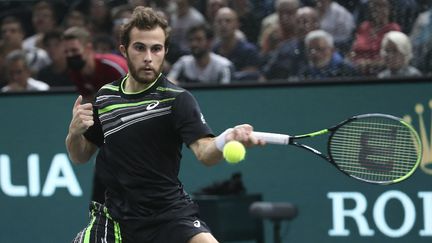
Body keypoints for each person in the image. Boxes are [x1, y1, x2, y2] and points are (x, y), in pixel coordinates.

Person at [67, 6, 264, 243]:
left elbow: (205, 153)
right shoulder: (106, 97)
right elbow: (80, 156)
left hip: (168, 215)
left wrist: (225, 139)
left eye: (156, 48)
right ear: (124, 51)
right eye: (140, 48)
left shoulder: (177, 99)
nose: (148, 57)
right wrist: (74, 133)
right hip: (114, 219)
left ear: (165, 51)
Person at [62, 26, 128, 102]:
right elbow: (89, 101)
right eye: (66, 52)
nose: (70, 55)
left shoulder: (112, 67)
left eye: (74, 50)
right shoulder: (75, 73)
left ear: (88, 48)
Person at [348, 0, 401, 76]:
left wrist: (370, 64)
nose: (378, 9)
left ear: (390, 8)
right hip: (356, 69)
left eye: (383, 6)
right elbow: (353, 50)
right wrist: (354, 61)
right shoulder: (364, 26)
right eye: (375, 6)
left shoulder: (394, 29)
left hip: (380, 73)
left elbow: (395, 58)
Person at [168, 24, 234, 84]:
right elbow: (169, 81)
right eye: (191, 40)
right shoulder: (183, 63)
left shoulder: (223, 65)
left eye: (199, 39)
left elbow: (226, 91)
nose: (194, 44)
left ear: (209, 42)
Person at [213, 7, 261, 81]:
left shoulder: (249, 51)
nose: (223, 25)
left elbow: (251, 79)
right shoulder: (213, 51)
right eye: (219, 21)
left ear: (237, 24)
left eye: (228, 21)